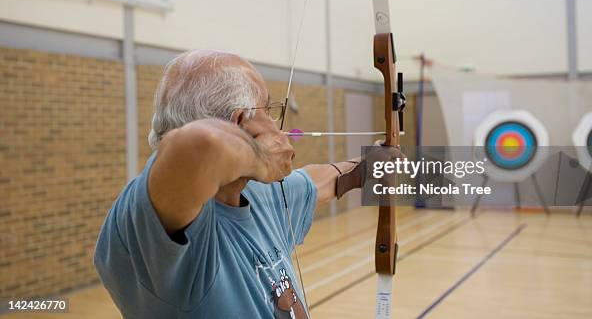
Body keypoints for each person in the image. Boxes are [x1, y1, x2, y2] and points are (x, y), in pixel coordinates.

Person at [94, 49, 389, 318]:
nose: (276, 125)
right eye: (268, 109)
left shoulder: (255, 194)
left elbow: (319, 180)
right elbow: (200, 145)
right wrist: (261, 156)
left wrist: (367, 166)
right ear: (239, 121)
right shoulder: (152, 221)